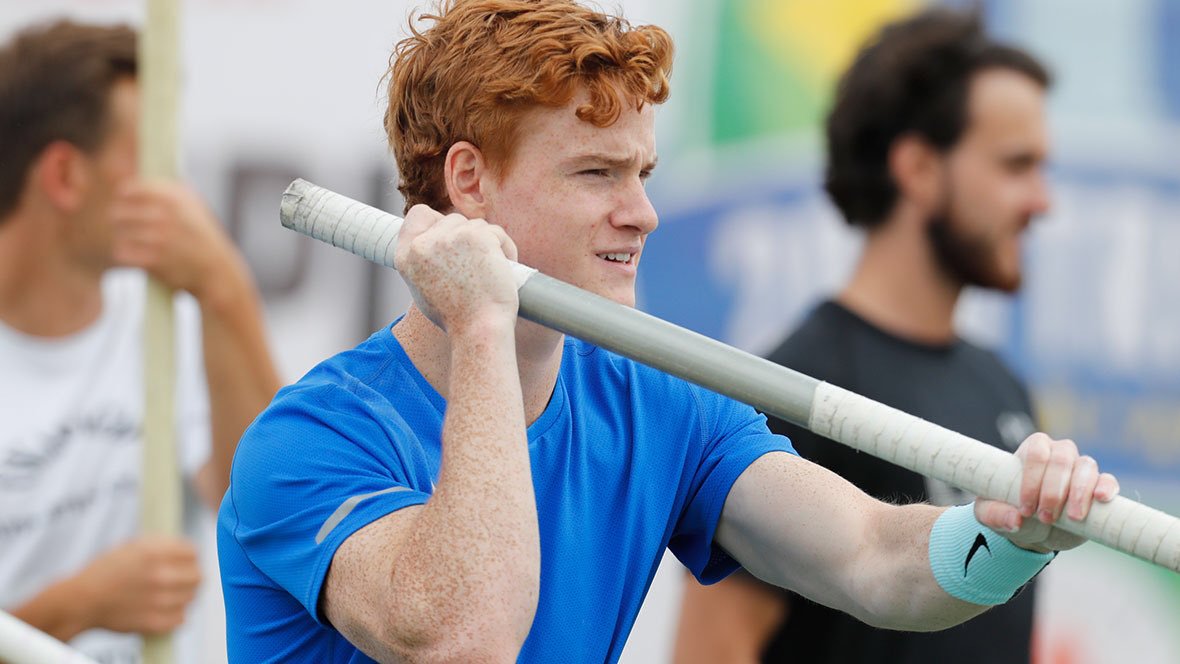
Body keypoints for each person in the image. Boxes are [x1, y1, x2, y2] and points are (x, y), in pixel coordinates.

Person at [218, 2, 1117, 662]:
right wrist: (483, 323)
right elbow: (463, 638)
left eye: (643, 171)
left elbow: (870, 561)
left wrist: (1007, 538)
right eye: (597, 173)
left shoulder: (660, 400)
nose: (642, 213)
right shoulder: (306, 440)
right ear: (468, 181)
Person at [674, 8, 1062, 664]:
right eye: (1015, 165)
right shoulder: (797, 387)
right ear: (917, 169)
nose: (1041, 200)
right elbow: (712, 650)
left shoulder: (1001, 383)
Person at [0, 20, 281, 663]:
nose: (173, 189)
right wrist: (74, 607)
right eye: (150, 156)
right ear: (65, 176)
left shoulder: (165, 317)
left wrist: (224, 289)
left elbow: (270, 506)